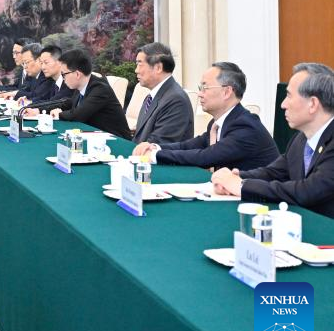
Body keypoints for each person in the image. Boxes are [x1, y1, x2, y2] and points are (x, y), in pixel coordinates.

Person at [212, 63, 334, 218]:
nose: (283, 104)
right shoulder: (300, 139)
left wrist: (242, 186)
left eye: (289, 96)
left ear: (313, 104)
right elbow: (273, 172)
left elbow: (307, 191)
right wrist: (237, 177)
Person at [133, 62, 277, 170]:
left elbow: (205, 157)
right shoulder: (217, 124)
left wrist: (155, 156)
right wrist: (155, 147)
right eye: (200, 88)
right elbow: (189, 145)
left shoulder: (245, 127)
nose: (200, 94)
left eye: (205, 88)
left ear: (227, 92)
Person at [48, 49, 131, 138]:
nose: (63, 78)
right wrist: (39, 109)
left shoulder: (100, 88)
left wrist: (59, 114)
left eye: (64, 74)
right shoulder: (81, 86)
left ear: (77, 74)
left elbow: (78, 114)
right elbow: (66, 104)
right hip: (95, 137)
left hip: (116, 140)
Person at [131, 42, 194, 144]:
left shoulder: (176, 100)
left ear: (158, 68)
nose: (136, 70)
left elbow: (157, 144)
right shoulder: (151, 97)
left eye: (140, 64)